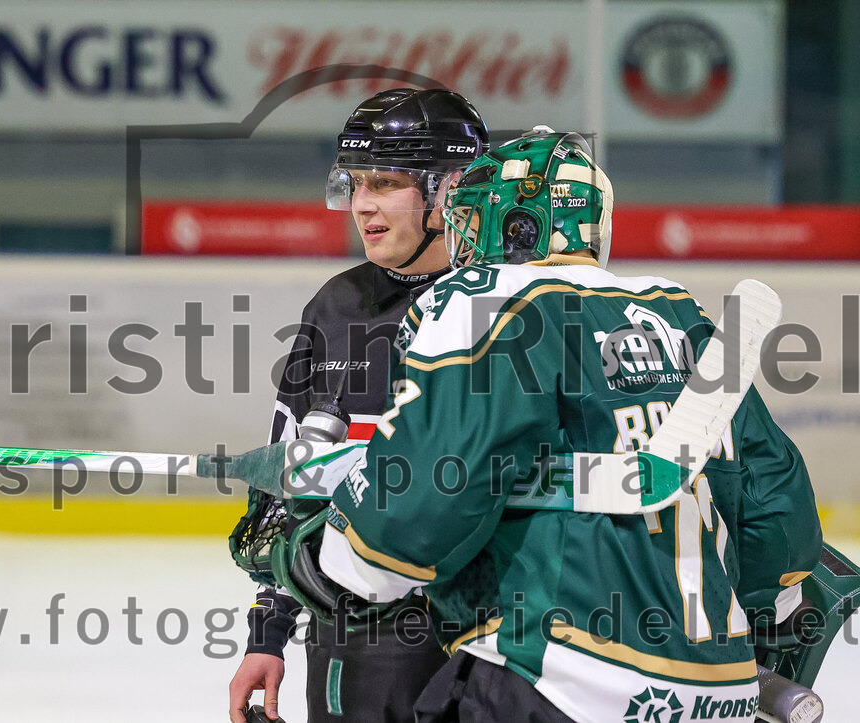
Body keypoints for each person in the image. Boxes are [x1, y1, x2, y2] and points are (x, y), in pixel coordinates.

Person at [293, 128, 823, 721]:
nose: (464, 241)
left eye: (473, 220)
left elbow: (414, 518)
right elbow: (774, 499)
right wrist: (767, 615)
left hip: (557, 677)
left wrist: (323, 558)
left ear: (514, 224)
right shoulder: (681, 312)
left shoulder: (488, 299)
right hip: (717, 694)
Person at [228, 87, 490, 723]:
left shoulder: (513, 305)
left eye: (386, 183)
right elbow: (294, 483)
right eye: (354, 182)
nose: (361, 204)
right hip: (365, 632)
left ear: (448, 188)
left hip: (503, 636)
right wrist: (269, 631)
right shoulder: (335, 308)